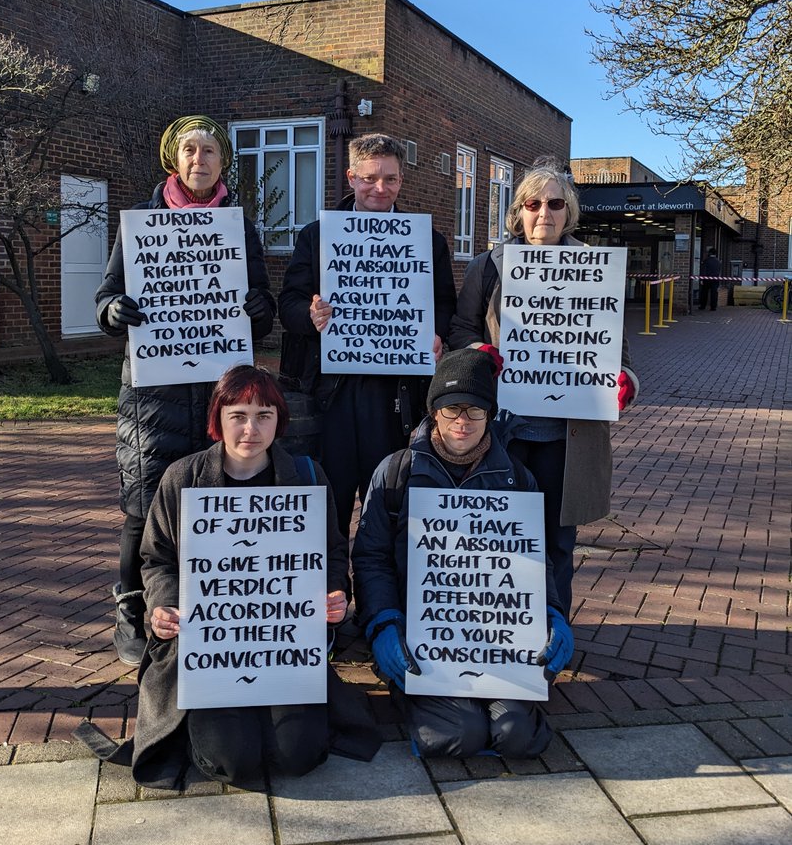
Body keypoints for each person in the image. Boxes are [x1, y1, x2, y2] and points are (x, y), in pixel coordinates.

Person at [79, 365, 379, 789]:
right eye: (238, 415)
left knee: (299, 755)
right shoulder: (182, 478)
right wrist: (163, 604)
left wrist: (334, 591)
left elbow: (331, 550)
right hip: (209, 650)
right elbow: (157, 558)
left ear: (280, 420)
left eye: (264, 416)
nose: (251, 429)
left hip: (283, 648)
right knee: (232, 762)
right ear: (218, 420)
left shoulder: (308, 478)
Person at [95, 115, 276, 664]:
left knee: (215, 502)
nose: (201, 160)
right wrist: (114, 310)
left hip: (221, 394)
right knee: (143, 502)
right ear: (174, 159)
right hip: (155, 393)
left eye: (211, 151)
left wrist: (257, 309)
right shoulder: (142, 223)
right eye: (190, 150)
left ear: (224, 162)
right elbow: (105, 297)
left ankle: (204, 605)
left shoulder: (240, 229)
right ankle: (131, 609)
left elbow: (262, 308)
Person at [351, 348, 573, 759]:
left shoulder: (517, 477)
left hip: (498, 639)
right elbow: (371, 558)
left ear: (490, 414)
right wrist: (383, 622)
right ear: (433, 412)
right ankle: (422, 700)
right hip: (419, 637)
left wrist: (551, 612)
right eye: (452, 409)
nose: (462, 422)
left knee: (514, 735)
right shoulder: (397, 471)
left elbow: (533, 559)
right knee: (462, 733)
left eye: (475, 410)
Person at [447, 157, 639, 617]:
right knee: (498, 534)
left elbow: (616, 348)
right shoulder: (488, 266)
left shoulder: (594, 268)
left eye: (555, 203)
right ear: (519, 210)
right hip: (503, 430)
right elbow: (459, 329)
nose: (543, 214)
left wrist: (622, 380)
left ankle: (552, 634)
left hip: (566, 437)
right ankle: (501, 633)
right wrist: (480, 351)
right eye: (533, 203)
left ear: (568, 211)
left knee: (557, 540)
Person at [278, 133, 457, 540]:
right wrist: (310, 316)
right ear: (350, 178)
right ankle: (334, 594)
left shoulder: (428, 241)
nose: (381, 188)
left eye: (391, 179)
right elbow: (286, 304)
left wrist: (436, 332)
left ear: (401, 181)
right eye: (370, 178)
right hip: (332, 394)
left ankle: (384, 600)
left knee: (390, 504)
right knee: (330, 504)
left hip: (394, 394)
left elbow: (445, 302)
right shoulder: (316, 236)